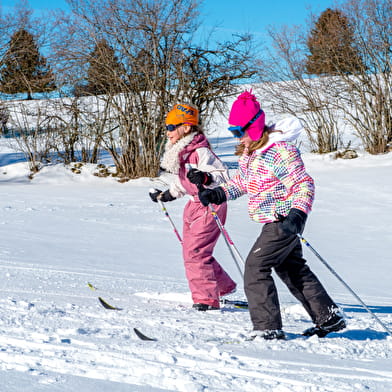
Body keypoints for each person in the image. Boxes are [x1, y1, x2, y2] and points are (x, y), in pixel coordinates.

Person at [198, 91, 346, 339]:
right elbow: (244, 182)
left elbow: (303, 184)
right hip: (273, 220)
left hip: (283, 221)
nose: (238, 137)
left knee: (255, 268)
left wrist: (297, 214)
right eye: (233, 132)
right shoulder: (252, 154)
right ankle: (328, 317)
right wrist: (218, 194)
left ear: (254, 126)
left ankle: (268, 328)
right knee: (292, 269)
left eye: (240, 131)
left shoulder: (279, 152)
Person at [149, 103, 237, 311]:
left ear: (186, 128)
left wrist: (205, 177)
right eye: (166, 127)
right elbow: (183, 181)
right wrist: (168, 194)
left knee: (195, 253)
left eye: (171, 127)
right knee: (193, 251)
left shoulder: (200, 151)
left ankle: (206, 299)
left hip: (210, 204)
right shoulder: (183, 152)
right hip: (193, 206)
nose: (167, 131)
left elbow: (223, 176)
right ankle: (222, 288)